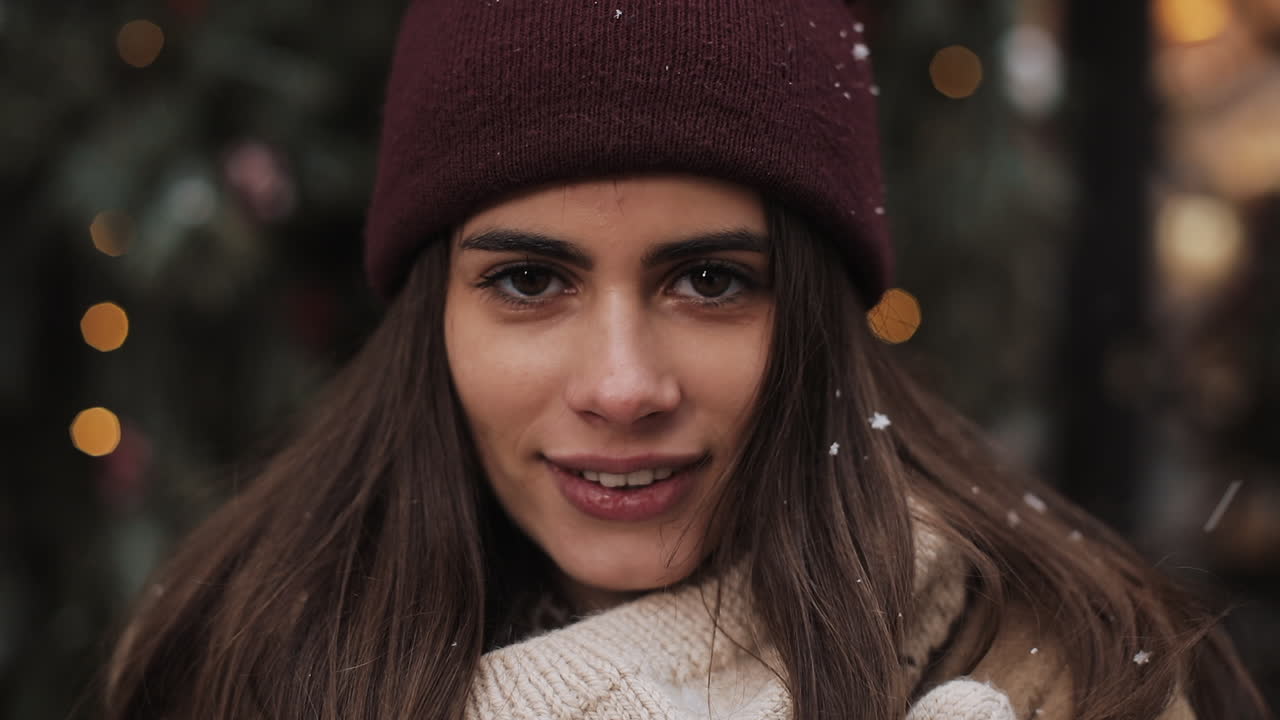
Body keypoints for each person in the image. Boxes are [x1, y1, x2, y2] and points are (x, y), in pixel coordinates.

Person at [101, 1, 1272, 719]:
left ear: (815, 314)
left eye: (710, 281)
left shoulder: (1075, 678)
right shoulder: (235, 668)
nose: (621, 385)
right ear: (432, 317)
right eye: (528, 281)